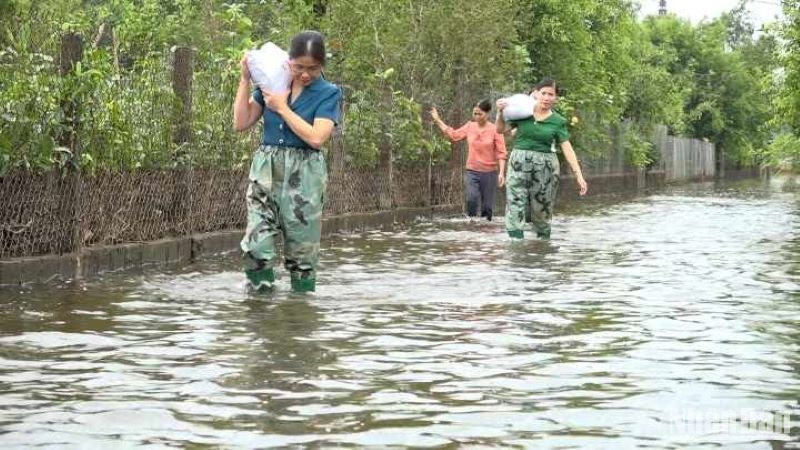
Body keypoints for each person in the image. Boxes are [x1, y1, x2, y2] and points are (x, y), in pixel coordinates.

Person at [233, 31, 342, 293]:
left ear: (322, 65)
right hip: (267, 169)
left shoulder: (328, 93)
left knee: (302, 254)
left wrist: (282, 108)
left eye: (313, 68)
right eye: (299, 67)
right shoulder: (274, 83)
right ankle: (261, 311)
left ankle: (298, 317)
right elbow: (241, 123)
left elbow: (317, 138)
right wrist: (245, 80)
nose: (305, 74)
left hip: (304, 173)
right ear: (288, 62)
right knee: (256, 246)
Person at [496, 79, 588, 239]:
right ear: (536, 94)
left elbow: (567, 148)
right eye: (543, 93)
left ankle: (542, 249)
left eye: (550, 94)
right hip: (518, 165)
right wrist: (499, 113)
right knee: (515, 205)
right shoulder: (523, 113)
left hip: (545, 169)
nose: (546, 97)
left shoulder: (558, 121)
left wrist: (579, 175)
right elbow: (500, 130)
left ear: (555, 98)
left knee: (542, 210)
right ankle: (515, 249)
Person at [430, 100, 507, 221]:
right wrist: (437, 119)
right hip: (472, 171)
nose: (476, 117)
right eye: (474, 113)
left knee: (487, 207)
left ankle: (486, 234)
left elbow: (501, 153)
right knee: (471, 199)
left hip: (490, 173)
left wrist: (501, 173)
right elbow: (454, 135)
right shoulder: (470, 126)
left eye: (479, 114)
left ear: (487, 114)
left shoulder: (495, 130)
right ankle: (471, 228)